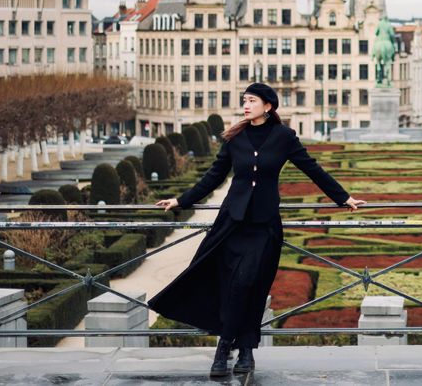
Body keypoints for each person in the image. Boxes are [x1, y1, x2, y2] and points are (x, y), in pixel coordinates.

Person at [149, 83, 365, 376]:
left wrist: (343, 197)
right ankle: (242, 351)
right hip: (232, 223)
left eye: (252, 100)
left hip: (263, 226)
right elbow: (213, 177)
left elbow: (312, 169)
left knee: (248, 284)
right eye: (244, 100)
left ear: (268, 106)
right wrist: (181, 200)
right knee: (228, 286)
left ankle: (228, 346)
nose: (246, 105)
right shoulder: (235, 137)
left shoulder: (284, 137)